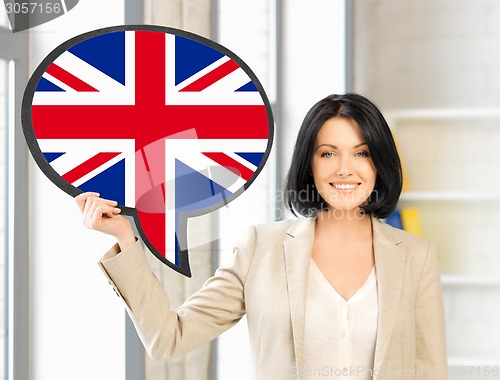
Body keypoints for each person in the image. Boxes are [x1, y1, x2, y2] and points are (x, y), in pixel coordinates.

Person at [76, 93, 447, 379]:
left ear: (379, 163)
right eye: (328, 153)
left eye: (361, 153)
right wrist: (126, 238)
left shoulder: (416, 256)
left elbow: (431, 371)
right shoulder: (261, 248)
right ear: (309, 163)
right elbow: (168, 337)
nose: (345, 169)